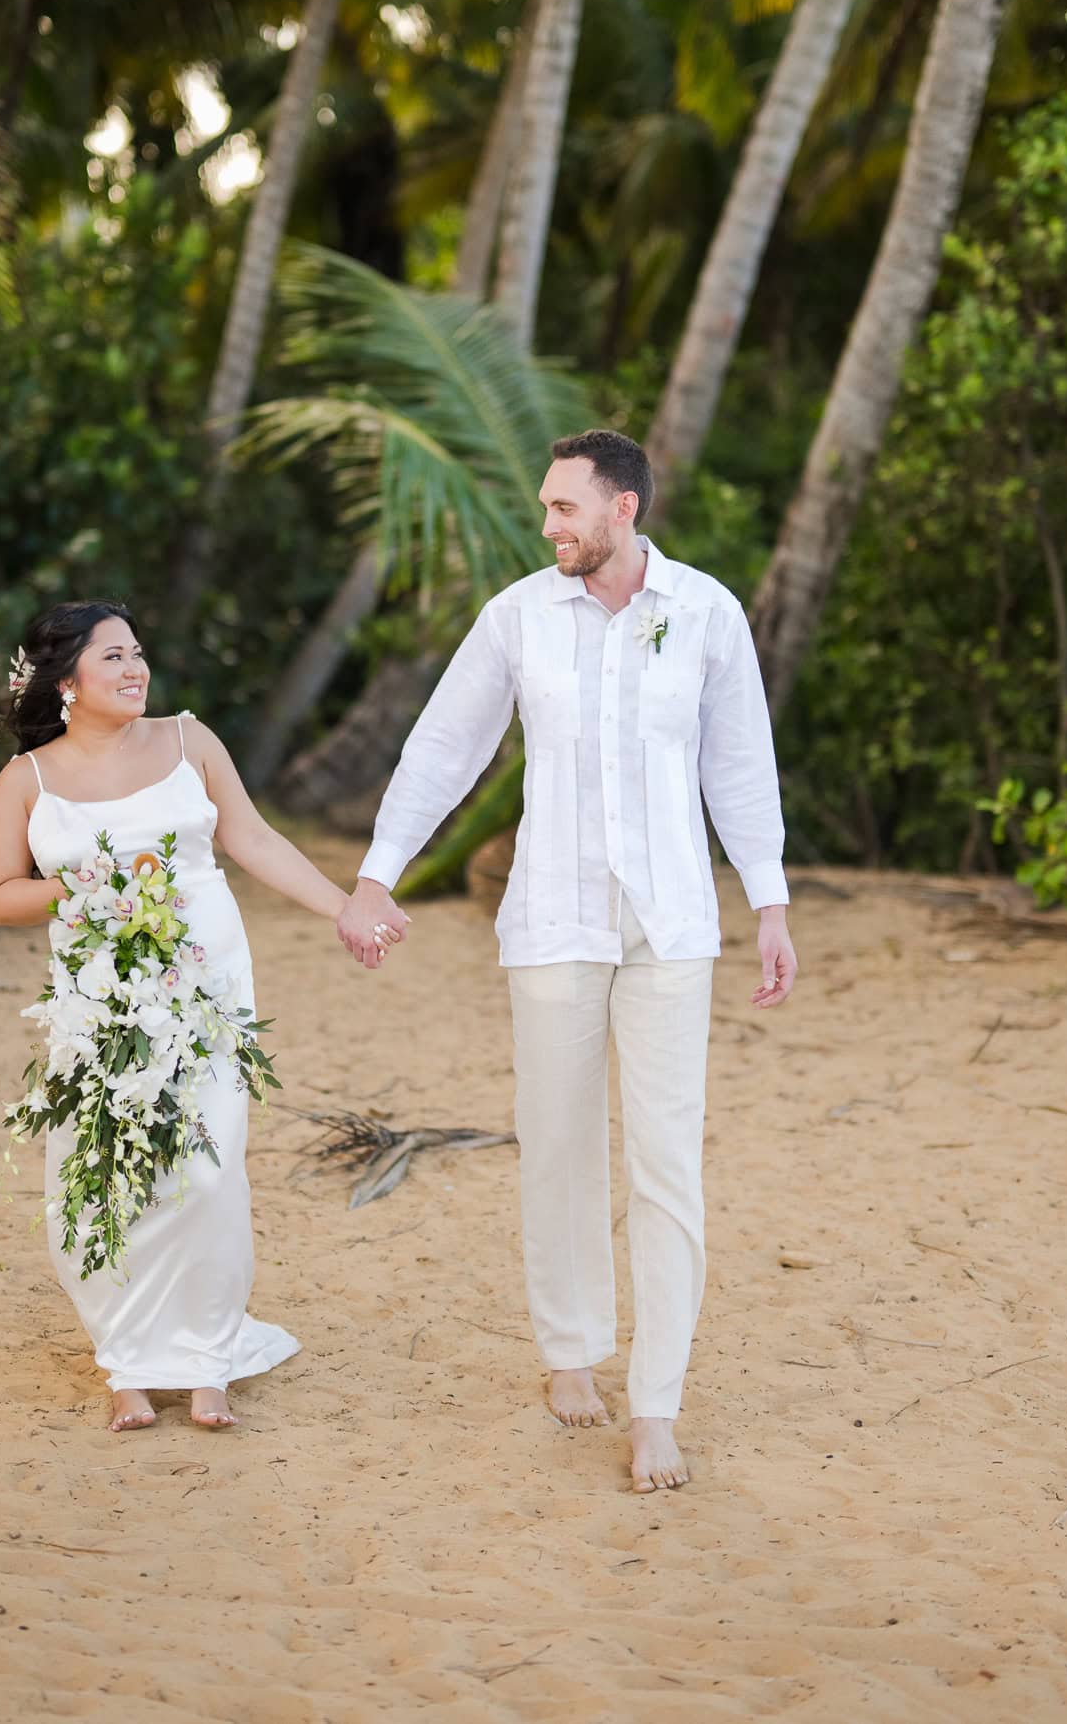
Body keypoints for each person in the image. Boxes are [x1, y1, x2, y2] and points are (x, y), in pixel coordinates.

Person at [338, 430, 797, 1494]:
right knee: (557, 1142)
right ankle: (571, 1350)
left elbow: (741, 765)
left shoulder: (705, 613)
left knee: (668, 1160)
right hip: (552, 917)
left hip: (672, 921)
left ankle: (658, 1405)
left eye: (565, 508)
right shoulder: (517, 619)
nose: (548, 525)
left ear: (623, 508)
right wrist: (378, 872)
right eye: (546, 508)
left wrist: (768, 901)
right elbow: (443, 747)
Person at [0, 599, 400, 1434]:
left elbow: (255, 840)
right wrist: (84, 888)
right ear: (66, 680)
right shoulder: (24, 782)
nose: (136, 669)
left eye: (138, 652)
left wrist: (344, 907)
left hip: (209, 992)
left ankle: (208, 1356)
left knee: (207, 1171)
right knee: (104, 1177)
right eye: (113, 658)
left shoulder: (188, 742)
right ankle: (129, 1362)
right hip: (99, 1001)